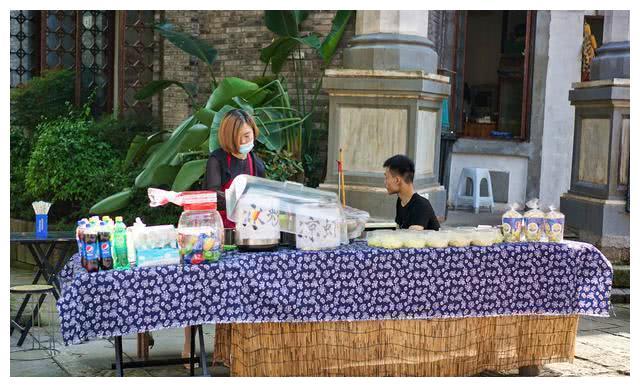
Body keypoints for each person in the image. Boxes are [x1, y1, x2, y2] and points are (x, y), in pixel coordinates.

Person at [181, 108, 266, 366]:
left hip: (249, 235)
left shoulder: (256, 162)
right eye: (242, 137)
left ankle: (234, 350)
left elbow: (264, 196)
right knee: (199, 289)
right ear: (230, 137)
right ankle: (188, 346)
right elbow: (212, 194)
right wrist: (235, 196)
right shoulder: (217, 160)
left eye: (249, 135)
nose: (246, 142)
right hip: (218, 235)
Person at [383, 154, 440, 231]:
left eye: (386, 178)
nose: (385, 182)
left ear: (397, 180)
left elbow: (413, 240)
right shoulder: (401, 201)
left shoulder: (421, 205)